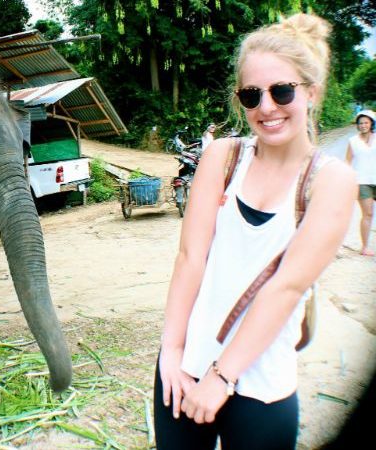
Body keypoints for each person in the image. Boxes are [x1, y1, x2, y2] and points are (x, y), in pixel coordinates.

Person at [154, 13, 357, 450]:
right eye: (251, 94)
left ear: (312, 92)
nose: (266, 107)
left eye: (282, 91)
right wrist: (170, 352)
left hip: (260, 383)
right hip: (185, 366)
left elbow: (286, 288)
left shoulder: (330, 181)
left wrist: (222, 376)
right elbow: (191, 258)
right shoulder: (223, 158)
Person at [345, 109, 376, 256]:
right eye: (361, 123)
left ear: (371, 124)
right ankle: (365, 247)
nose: (363, 125)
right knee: (368, 214)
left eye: (366, 122)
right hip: (362, 182)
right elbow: (347, 162)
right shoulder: (353, 141)